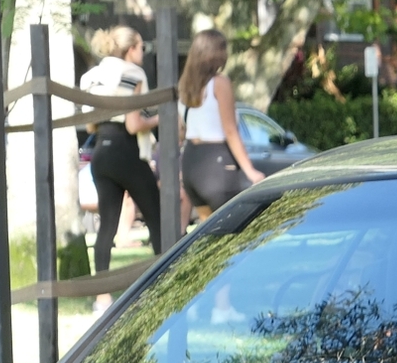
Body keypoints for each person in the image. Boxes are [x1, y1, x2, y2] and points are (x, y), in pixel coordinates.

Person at [80, 25, 161, 273]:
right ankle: (166, 283)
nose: (143, 53)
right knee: (158, 218)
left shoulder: (92, 76)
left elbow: (90, 125)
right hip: (125, 150)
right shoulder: (133, 73)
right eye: (142, 47)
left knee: (107, 227)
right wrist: (161, 118)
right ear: (131, 48)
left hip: (100, 152)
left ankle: (101, 296)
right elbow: (134, 123)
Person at [180, 28, 266, 216]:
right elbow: (230, 130)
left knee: (209, 231)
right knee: (233, 229)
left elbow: (181, 129)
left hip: (191, 161)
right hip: (216, 162)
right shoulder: (219, 83)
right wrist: (250, 170)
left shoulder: (186, 86)